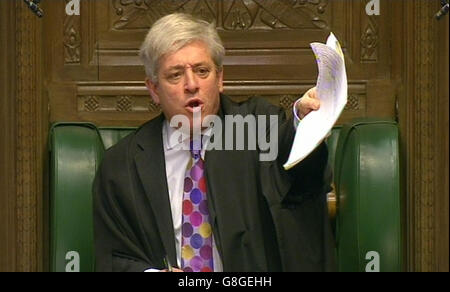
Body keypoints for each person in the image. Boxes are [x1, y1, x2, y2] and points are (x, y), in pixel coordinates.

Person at [93, 13, 335, 272]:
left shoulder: (257, 128)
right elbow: (113, 258)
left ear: (220, 79)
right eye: (175, 75)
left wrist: (304, 124)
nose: (192, 84)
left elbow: (300, 170)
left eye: (202, 71)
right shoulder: (121, 165)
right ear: (154, 89)